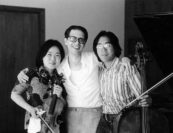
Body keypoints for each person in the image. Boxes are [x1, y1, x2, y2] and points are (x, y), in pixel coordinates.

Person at [17, 25, 102, 133]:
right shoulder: (58, 65)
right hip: (67, 117)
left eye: (81, 40)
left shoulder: (94, 58)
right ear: (66, 40)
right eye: (73, 39)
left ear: (85, 43)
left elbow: (111, 61)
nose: (77, 43)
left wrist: (126, 60)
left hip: (94, 114)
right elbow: (41, 69)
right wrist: (23, 73)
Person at [93, 31, 152, 133]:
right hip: (104, 120)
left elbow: (142, 96)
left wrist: (147, 100)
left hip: (125, 120)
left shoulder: (126, 67)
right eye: (99, 46)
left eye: (107, 45)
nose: (103, 49)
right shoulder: (99, 69)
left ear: (115, 47)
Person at [11, 39, 67, 133]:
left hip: (54, 127)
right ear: (42, 56)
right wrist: (30, 109)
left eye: (57, 55)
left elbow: (64, 106)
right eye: (49, 54)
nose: (53, 59)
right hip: (35, 124)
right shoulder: (30, 73)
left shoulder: (61, 79)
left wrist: (60, 96)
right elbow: (14, 95)